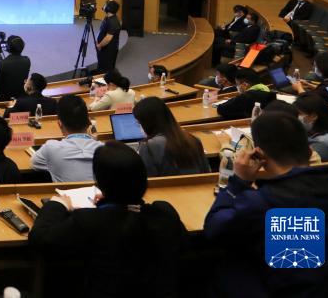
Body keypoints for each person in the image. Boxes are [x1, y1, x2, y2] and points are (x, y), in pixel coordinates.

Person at [204, 112, 328, 297]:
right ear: (309, 151)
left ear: (259, 155)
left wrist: (238, 182)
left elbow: (214, 228)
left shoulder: (260, 203)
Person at [30, 141, 187, 297]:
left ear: (99, 182)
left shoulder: (89, 220)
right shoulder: (164, 213)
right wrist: (110, 202)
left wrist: (58, 204)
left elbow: (41, 238)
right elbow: (182, 243)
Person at [31, 95, 102, 182]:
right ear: (89, 122)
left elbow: (34, 164)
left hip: (64, 191)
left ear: (59, 124)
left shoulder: (50, 147)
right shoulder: (102, 149)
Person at [133, 97, 208, 176]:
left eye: (139, 123)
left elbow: (147, 179)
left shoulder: (148, 146)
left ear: (148, 123)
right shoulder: (194, 140)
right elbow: (206, 174)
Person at [0, 35, 31, 102]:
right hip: (21, 99)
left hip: (4, 100)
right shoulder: (27, 60)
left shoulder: (3, 64)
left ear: (8, 47)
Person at [95, 0, 121, 73]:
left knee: (106, 70)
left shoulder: (113, 22)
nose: (104, 6)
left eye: (105, 5)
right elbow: (102, 30)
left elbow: (108, 39)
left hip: (108, 50)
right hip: (103, 48)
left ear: (109, 8)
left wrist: (99, 45)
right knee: (101, 65)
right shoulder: (107, 17)